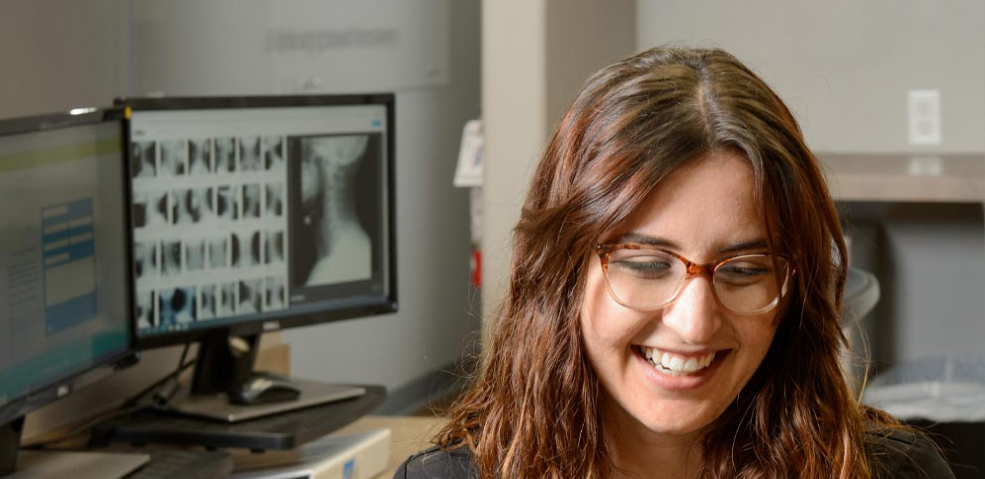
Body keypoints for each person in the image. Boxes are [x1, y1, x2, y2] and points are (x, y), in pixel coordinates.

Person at [396, 47, 953, 479]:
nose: (694, 323)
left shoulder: (895, 472)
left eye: (743, 270)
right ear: (561, 272)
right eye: (644, 264)